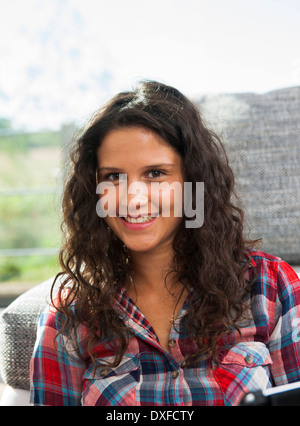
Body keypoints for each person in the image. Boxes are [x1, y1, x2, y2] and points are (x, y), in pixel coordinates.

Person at [30, 80, 300, 406]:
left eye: (156, 173)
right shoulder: (71, 311)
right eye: (114, 176)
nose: (133, 198)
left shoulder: (269, 284)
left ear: (192, 181)